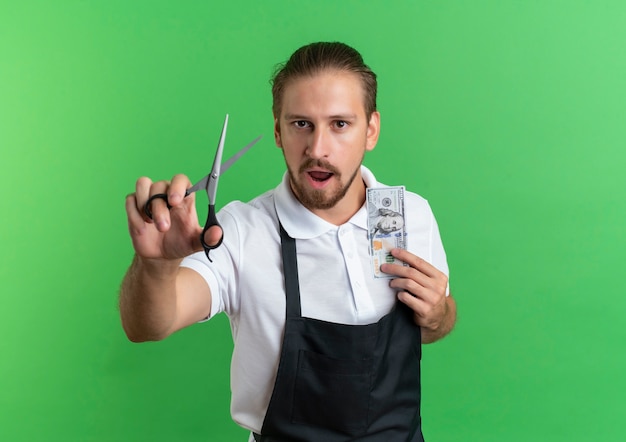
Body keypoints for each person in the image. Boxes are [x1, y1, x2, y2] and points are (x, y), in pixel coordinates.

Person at [120, 41, 456, 441]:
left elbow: (433, 325)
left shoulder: (409, 215)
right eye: (301, 124)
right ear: (278, 131)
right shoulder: (240, 232)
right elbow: (148, 325)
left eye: (340, 124)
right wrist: (157, 264)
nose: (318, 149)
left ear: (371, 130)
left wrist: (439, 315)